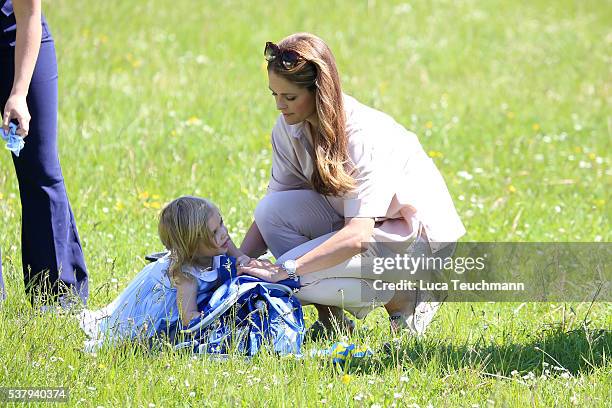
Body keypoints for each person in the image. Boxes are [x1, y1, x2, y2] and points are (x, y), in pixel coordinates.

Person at [239, 33, 465, 335]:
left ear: (319, 91)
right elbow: (270, 214)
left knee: (293, 273)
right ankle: (334, 322)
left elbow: (357, 236)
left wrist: (285, 270)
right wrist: (236, 264)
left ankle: (405, 298)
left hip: (415, 239)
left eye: (290, 97)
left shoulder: (362, 135)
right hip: (362, 225)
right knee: (271, 211)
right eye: (274, 95)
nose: (280, 106)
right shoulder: (289, 126)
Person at [0, 0, 87, 305]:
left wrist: (19, 93)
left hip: (16, 37)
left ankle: (57, 298)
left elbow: (29, 16)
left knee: (40, 168)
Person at [79, 196, 251, 349]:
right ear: (192, 246)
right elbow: (188, 318)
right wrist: (218, 319)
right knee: (142, 337)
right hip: (157, 303)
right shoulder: (186, 278)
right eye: (214, 232)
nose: (224, 232)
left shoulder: (218, 244)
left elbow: (230, 245)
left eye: (221, 222)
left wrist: (241, 257)